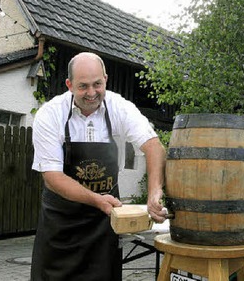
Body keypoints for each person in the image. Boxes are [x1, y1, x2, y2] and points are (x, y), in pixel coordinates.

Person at [30, 52, 167, 281]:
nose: (92, 93)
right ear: (69, 85)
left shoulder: (120, 107)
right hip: (61, 224)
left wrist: (155, 192)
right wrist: (97, 200)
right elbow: (52, 177)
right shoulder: (50, 114)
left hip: (104, 224)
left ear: (106, 79)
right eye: (83, 86)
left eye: (97, 84)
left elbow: (154, 147)